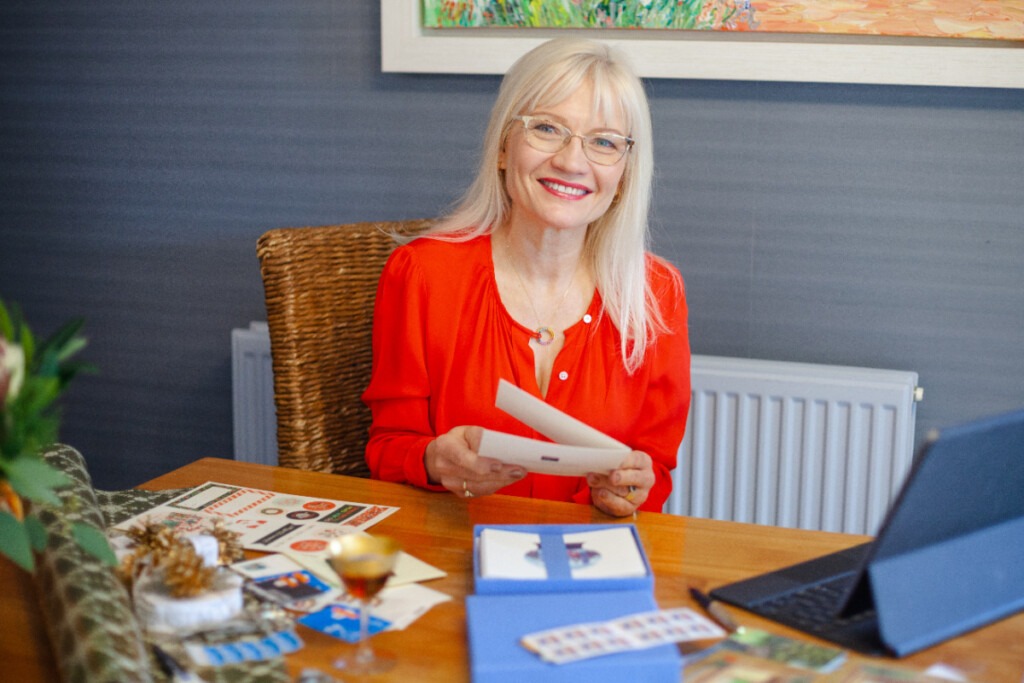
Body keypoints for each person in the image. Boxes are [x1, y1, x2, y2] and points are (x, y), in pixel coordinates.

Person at [361, 38, 690, 516]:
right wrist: (434, 460)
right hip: (452, 550)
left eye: (603, 141)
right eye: (547, 128)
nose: (572, 162)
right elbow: (387, 448)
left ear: (624, 173)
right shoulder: (422, 274)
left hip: (589, 558)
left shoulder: (658, 295)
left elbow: (653, 470)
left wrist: (627, 488)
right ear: (502, 147)